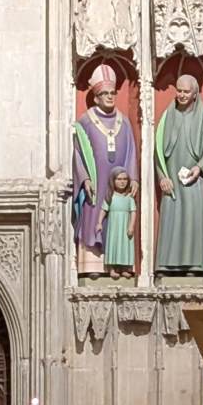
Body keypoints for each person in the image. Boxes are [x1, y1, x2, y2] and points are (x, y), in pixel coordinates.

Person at [73, 63, 138, 276]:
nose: (110, 97)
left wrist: (133, 178)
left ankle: (119, 264)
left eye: (112, 93)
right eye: (104, 93)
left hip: (120, 185)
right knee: (93, 217)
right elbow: (78, 154)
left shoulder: (124, 122)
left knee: (118, 220)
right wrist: (85, 179)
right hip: (96, 182)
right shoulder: (85, 122)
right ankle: (93, 265)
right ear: (96, 97)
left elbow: (131, 152)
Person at [155, 73, 203, 274]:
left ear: (195, 94)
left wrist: (199, 167)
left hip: (195, 179)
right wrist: (162, 177)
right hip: (173, 178)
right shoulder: (167, 116)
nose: (182, 95)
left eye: (186, 91)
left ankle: (194, 266)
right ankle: (168, 265)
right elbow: (157, 150)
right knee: (172, 221)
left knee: (194, 221)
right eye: (179, 90)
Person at [102, 170, 136, 278]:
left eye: (125, 179)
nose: (122, 182)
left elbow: (133, 212)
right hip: (114, 226)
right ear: (113, 181)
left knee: (125, 245)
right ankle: (112, 269)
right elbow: (103, 209)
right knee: (113, 244)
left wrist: (131, 226)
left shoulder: (129, 197)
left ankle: (125, 269)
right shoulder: (110, 196)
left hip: (125, 225)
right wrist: (99, 222)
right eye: (119, 179)